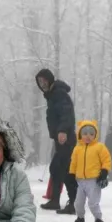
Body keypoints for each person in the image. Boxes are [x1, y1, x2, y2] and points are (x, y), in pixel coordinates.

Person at [35, 69, 77, 214]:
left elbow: (66, 112)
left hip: (66, 137)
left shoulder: (59, 93)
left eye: (44, 80)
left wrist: (62, 130)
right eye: (39, 82)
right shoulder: (52, 95)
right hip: (60, 139)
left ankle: (73, 203)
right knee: (58, 169)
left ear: (49, 79)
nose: (42, 84)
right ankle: (55, 201)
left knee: (65, 170)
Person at [68, 120, 111, 222]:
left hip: (94, 180)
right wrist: (71, 174)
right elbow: (73, 162)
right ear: (80, 135)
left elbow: (106, 160)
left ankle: (99, 221)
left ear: (95, 135)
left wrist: (104, 172)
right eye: (85, 133)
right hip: (80, 181)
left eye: (91, 134)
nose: (88, 136)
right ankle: (80, 219)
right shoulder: (77, 149)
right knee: (78, 203)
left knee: (93, 203)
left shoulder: (99, 147)